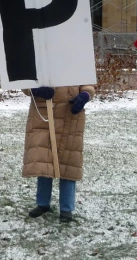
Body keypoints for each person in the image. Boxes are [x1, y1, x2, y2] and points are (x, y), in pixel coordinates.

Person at [23, 84, 95, 222]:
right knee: (45, 160)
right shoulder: (41, 61)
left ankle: (66, 208)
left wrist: (85, 94)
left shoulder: (77, 62)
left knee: (69, 162)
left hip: (70, 115)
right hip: (43, 115)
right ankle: (42, 203)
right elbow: (24, 81)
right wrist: (35, 89)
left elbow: (88, 83)